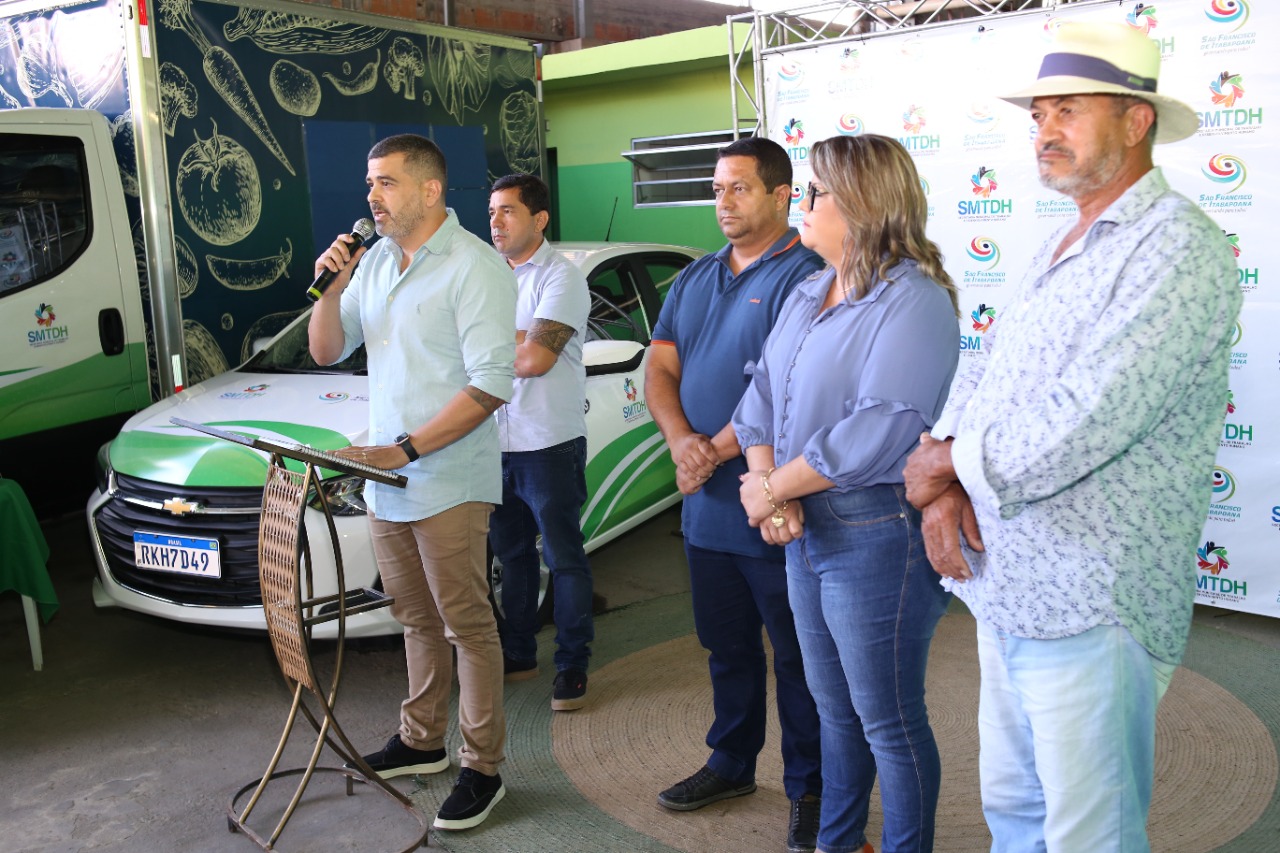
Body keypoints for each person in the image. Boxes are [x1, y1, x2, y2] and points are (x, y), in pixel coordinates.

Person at [902, 22, 1241, 852]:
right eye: (1038, 114)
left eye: (1068, 110)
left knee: (1092, 835)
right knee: (1014, 814)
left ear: (1136, 121)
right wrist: (943, 482)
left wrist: (943, 463)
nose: (1044, 131)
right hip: (1009, 585)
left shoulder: (1180, 245)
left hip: (1095, 602)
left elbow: (1089, 415)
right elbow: (987, 370)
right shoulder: (1063, 238)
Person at [733, 133, 959, 853]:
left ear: (863, 203)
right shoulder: (809, 289)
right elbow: (760, 396)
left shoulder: (914, 301)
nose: (802, 202)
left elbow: (879, 428)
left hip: (875, 532)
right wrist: (770, 488)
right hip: (805, 526)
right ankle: (837, 844)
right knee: (834, 714)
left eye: (816, 191)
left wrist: (773, 486)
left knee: (889, 721)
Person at [307, 133, 516, 832]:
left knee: (467, 625)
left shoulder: (474, 266)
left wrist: (405, 450)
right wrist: (332, 285)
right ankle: (422, 740)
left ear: (430, 189)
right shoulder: (372, 264)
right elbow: (326, 349)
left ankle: (483, 767)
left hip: (448, 478)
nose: (372, 195)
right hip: (385, 481)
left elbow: (490, 384)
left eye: (387, 182)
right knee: (414, 618)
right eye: (370, 182)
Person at [647, 136, 826, 853]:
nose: (723, 201)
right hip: (706, 510)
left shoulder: (806, 274)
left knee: (800, 658)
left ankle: (812, 789)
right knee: (725, 647)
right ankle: (731, 762)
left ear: (782, 195)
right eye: (717, 189)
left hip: (776, 504)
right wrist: (678, 442)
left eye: (739, 188)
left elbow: (784, 388)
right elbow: (660, 366)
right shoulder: (695, 276)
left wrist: (709, 450)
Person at [487, 173, 594, 711]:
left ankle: (572, 664)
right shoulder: (486, 277)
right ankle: (520, 653)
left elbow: (535, 358)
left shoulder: (561, 277)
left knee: (563, 558)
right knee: (513, 558)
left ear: (540, 219)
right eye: (491, 212)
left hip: (548, 443)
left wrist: (481, 342)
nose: (496, 222)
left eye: (508, 211)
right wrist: (511, 339)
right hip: (492, 442)